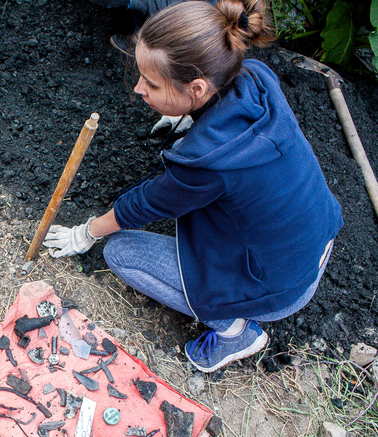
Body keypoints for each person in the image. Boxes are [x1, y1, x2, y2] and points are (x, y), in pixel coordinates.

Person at [43, 0, 343, 373]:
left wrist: (86, 232)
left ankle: (236, 332)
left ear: (197, 87)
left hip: (281, 286)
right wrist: (190, 119)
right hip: (315, 243)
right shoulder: (254, 78)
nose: (139, 89)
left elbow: (146, 204)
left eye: (151, 83)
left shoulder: (207, 164)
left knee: (119, 252)